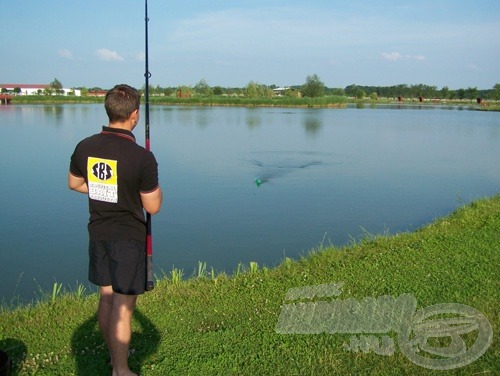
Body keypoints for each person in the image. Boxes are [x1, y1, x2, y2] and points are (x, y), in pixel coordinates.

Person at [68, 84, 162, 376]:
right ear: (134, 115)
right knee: (122, 306)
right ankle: (121, 370)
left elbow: (75, 184)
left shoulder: (85, 146)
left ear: (109, 111)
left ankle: (113, 356)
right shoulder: (142, 157)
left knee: (106, 297)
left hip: (98, 233)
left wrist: (105, 192)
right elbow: (153, 206)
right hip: (127, 239)